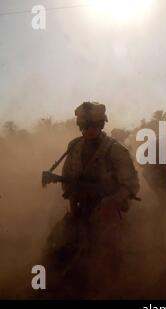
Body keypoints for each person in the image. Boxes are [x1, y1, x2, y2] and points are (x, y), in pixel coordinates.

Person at [43, 101, 139, 297]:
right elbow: (68, 179)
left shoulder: (115, 149)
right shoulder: (74, 146)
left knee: (108, 253)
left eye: (95, 125)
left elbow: (131, 184)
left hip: (107, 209)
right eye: (86, 126)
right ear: (80, 126)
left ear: (102, 125)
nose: (90, 130)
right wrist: (74, 208)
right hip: (80, 206)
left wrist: (111, 202)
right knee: (56, 244)